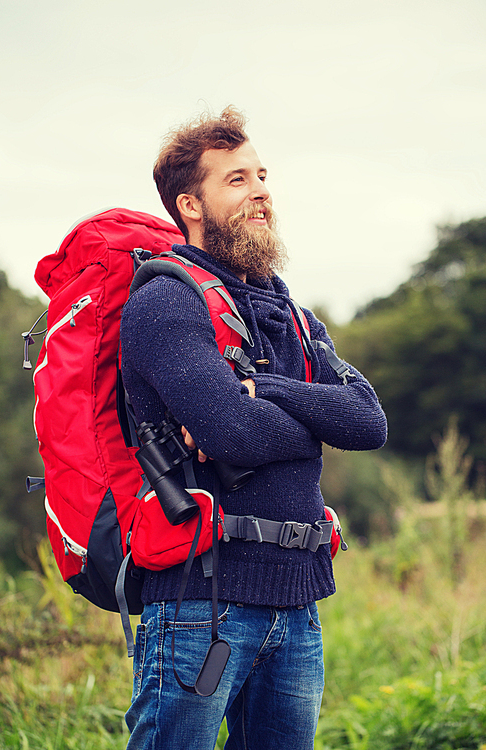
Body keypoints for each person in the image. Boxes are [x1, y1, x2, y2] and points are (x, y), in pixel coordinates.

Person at [120, 106, 387, 750]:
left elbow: (369, 420)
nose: (261, 190)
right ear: (191, 204)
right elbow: (238, 435)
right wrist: (317, 414)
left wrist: (264, 389)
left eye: (262, 175)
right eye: (236, 180)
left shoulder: (288, 309)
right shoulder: (165, 301)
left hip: (296, 606)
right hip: (199, 608)